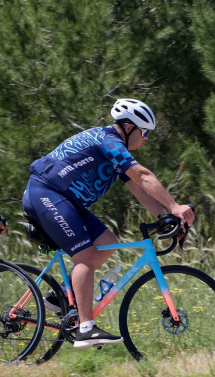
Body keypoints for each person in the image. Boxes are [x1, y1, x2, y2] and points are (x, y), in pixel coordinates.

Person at [22, 99, 194, 349]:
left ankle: (59, 296)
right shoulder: (108, 140)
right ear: (128, 127)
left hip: (65, 200)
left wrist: (163, 219)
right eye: (144, 132)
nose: (146, 138)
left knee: (107, 243)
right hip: (45, 193)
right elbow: (143, 175)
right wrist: (175, 207)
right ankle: (85, 329)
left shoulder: (115, 149)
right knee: (86, 255)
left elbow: (138, 187)